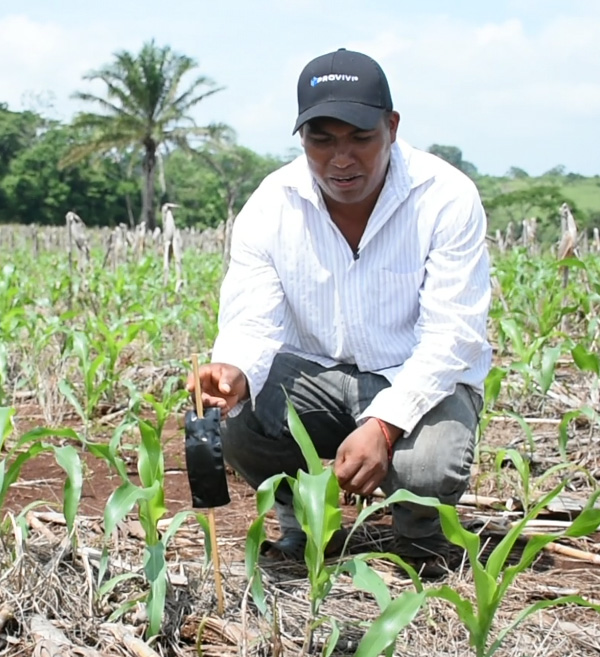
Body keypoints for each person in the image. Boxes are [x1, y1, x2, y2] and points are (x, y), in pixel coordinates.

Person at [187, 48, 493, 577]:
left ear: (391, 128)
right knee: (241, 416)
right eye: (321, 140)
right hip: (316, 374)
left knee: (426, 464)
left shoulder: (444, 197)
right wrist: (233, 370)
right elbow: (253, 319)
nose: (341, 158)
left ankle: (421, 537)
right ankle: (302, 525)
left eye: (359, 137)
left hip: (414, 375)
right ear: (302, 139)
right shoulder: (272, 204)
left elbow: (451, 337)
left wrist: (384, 425)